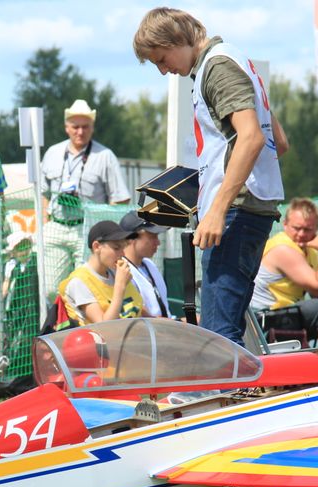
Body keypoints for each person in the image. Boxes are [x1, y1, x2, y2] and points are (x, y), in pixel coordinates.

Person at [133, 8, 288, 345]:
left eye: (161, 58)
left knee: (218, 333)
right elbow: (280, 142)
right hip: (249, 208)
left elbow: (251, 138)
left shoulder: (216, 67)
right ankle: (238, 392)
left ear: (176, 39)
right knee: (226, 323)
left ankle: (225, 396)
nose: (163, 71)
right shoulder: (234, 61)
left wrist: (216, 208)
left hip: (235, 213)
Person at [40, 99, 130, 297]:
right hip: (56, 227)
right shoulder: (52, 153)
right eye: (75, 127)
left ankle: (85, 327)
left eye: (85, 127)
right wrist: (45, 223)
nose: (80, 132)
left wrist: (107, 233)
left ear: (92, 127)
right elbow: (43, 193)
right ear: (66, 127)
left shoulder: (105, 156)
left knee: (88, 289)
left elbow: (120, 199)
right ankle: (58, 327)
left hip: (88, 230)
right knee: (50, 291)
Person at [250, 198, 318, 346]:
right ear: (285, 225)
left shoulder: (308, 251)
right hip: (263, 320)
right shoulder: (283, 249)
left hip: (287, 315)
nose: (301, 234)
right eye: (297, 228)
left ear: (316, 229)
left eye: (307, 229)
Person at [58, 221, 145, 326]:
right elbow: (105, 326)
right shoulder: (79, 282)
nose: (122, 254)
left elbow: (139, 309)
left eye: (124, 247)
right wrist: (120, 286)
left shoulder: (116, 272)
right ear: (96, 247)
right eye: (116, 248)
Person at [119, 211, 174, 318]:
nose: (158, 242)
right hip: (146, 329)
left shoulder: (149, 264)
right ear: (131, 239)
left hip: (165, 325)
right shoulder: (120, 269)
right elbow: (135, 310)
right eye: (152, 236)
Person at [2, 231, 39, 369]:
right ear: (14, 252)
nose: (23, 252)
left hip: (32, 305)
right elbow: (6, 285)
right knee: (14, 336)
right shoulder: (12, 266)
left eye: (26, 247)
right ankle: (16, 365)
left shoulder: (36, 261)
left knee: (31, 335)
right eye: (19, 249)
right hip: (16, 306)